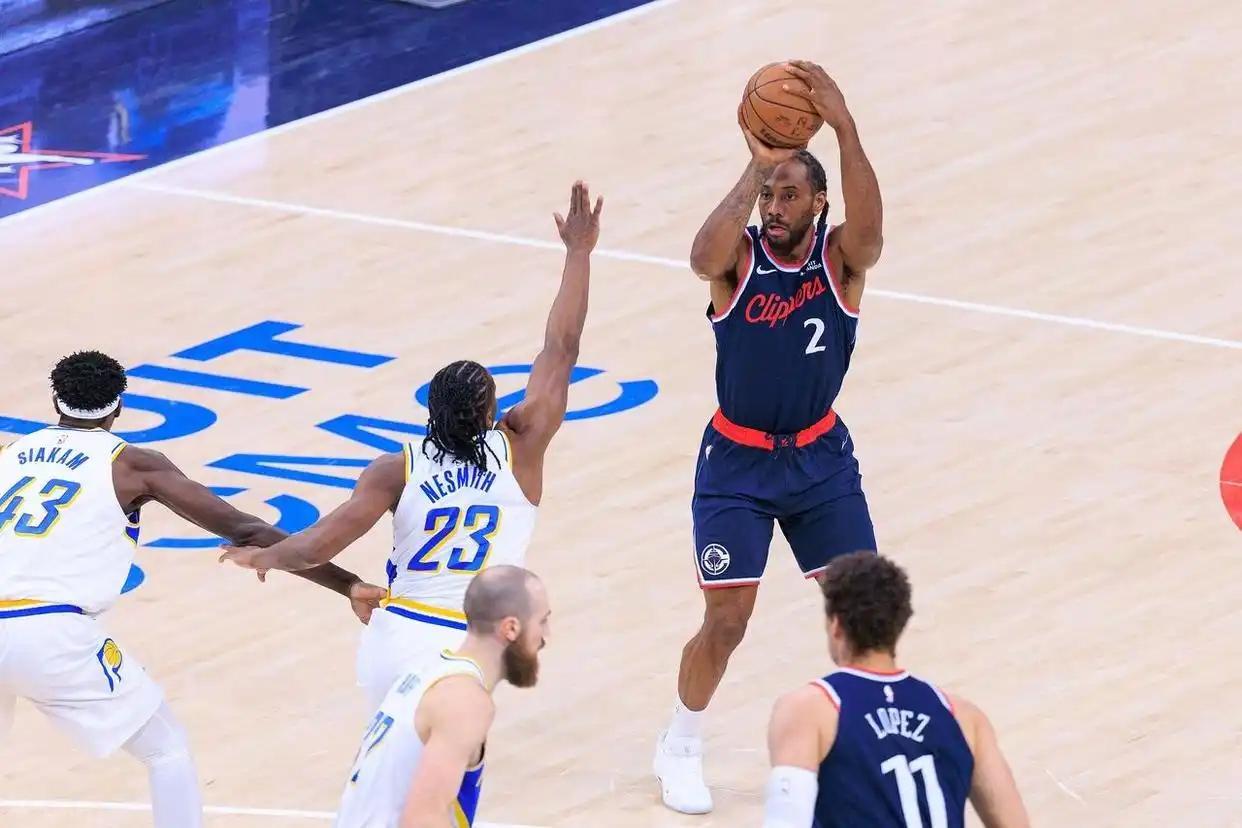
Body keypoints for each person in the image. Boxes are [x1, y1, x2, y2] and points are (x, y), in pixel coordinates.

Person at [220, 181, 602, 707]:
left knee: (391, 754)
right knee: (452, 755)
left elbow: (314, 547)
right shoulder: (522, 447)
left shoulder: (396, 469)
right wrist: (579, 253)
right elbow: (561, 348)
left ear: (430, 412)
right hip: (468, 641)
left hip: (395, 634)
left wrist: (264, 558)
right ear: (490, 414)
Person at [0, 351, 379, 828]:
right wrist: (347, 583)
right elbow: (247, 529)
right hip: (48, 632)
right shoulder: (134, 464)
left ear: (55, 400)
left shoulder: (10, 454)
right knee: (166, 750)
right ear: (119, 406)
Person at [655, 61, 885, 814]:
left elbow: (873, 233)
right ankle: (681, 743)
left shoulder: (841, 261)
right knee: (727, 621)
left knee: (863, 609)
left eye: (789, 194)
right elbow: (700, 258)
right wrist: (755, 167)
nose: (775, 207)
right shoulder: (739, 260)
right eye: (768, 196)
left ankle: (860, 750)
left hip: (819, 459)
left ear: (820, 202)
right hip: (738, 463)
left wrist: (843, 126)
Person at [762, 553, 1029, 828]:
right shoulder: (963, 716)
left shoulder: (810, 709)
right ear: (898, 625)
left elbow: (785, 822)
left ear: (836, 625)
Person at [334, 565, 550, 828]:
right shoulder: (464, 700)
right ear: (511, 628)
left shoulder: (422, 674)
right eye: (542, 622)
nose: (546, 636)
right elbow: (422, 821)